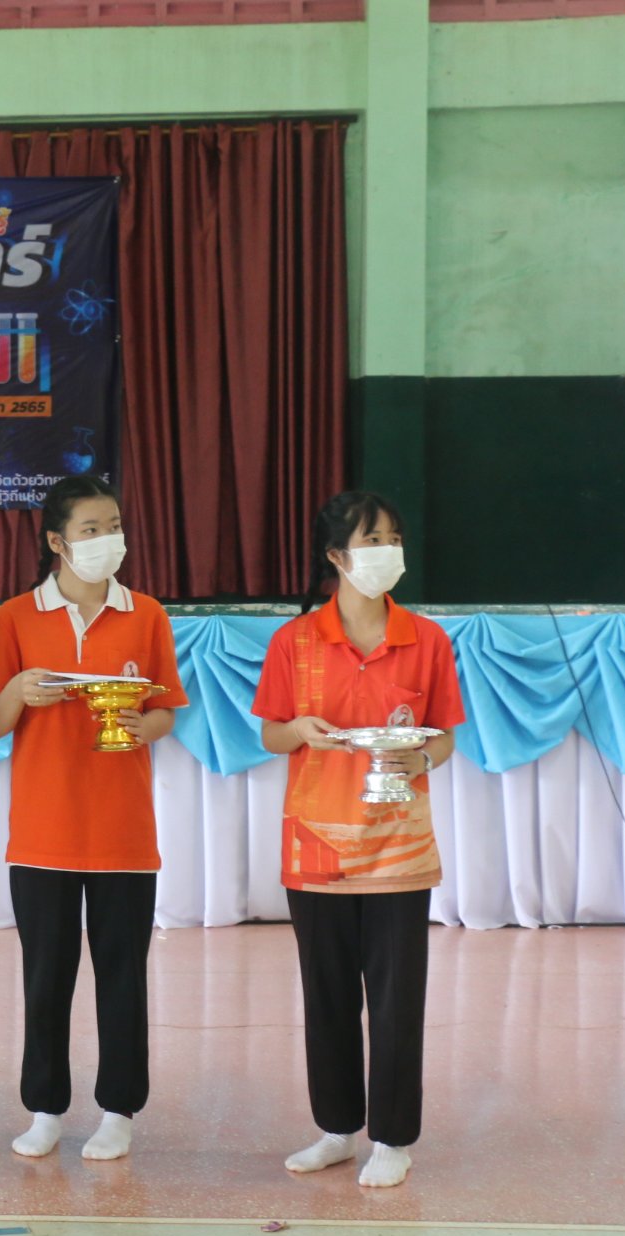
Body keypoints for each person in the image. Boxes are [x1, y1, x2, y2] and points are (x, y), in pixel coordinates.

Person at [250, 491, 464, 1190]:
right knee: (328, 997)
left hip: (399, 849)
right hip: (316, 847)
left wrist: (419, 757)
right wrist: (299, 730)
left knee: (397, 1000)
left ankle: (393, 1138)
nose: (388, 551)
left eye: (394, 538)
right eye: (373, 540)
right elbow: (271, 733)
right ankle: (336, 1128)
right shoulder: (295, 641)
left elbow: (444, 737)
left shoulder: (426, 639)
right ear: (336, 556)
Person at [0, 476, 188, 1161]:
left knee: (122, 975)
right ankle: (44, 1108)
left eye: (114, 526)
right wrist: (17, 690)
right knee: (46, 976)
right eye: (91, 529)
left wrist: (145, 725)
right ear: (57, 541)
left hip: (123, 833)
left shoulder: (145, 614)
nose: (107, 540)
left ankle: (119, 1110)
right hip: (43, 834)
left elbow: (164, 709)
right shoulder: (16, 616)